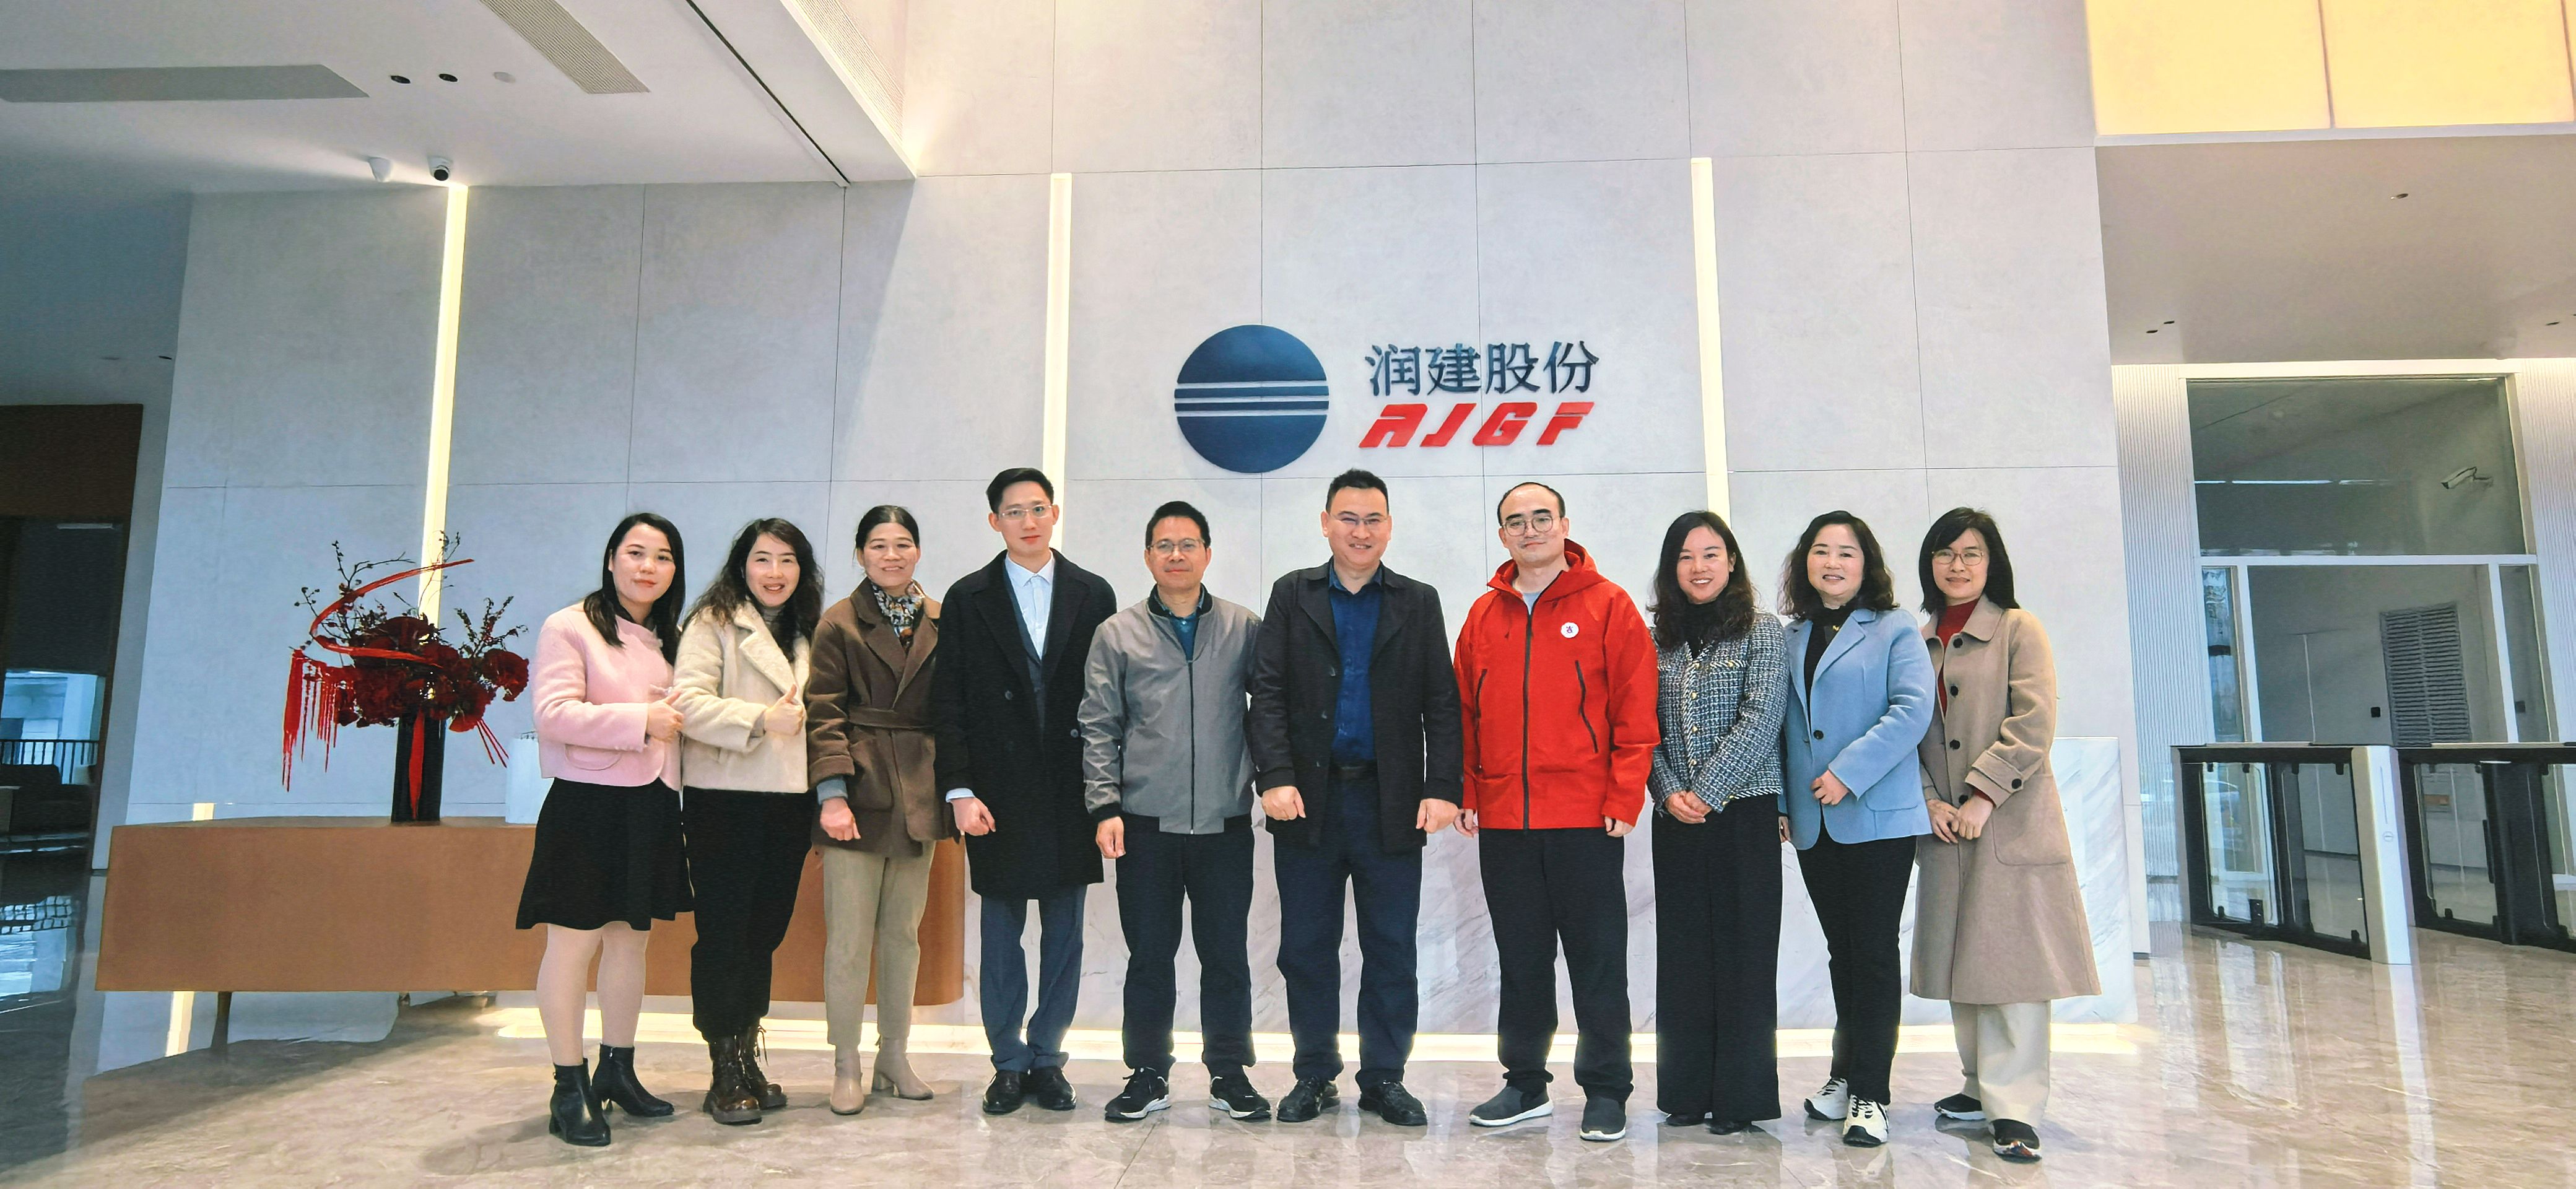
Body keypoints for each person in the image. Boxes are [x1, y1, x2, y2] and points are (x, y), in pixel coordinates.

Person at [1248, 469, 1461, 1128]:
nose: (1360, 531)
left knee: (1391, 946)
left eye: (1372, 520)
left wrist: (1442, 787)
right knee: (1306, 948)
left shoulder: (1417, 601)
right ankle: (1314, 1075)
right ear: (1325, 524)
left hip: (1389, 801)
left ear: (1389, 528)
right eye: (1348, 518)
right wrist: (1273, 775)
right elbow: (1267, 691)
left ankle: (1384, 1077)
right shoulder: (1293, 594)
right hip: (1305, 801)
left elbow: (1441, 702)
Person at [1452, 481, 1658, 1144]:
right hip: (1505, 820)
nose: (1530, 529)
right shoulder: (1484, 615)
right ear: (1503, 535)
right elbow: (1462, 713)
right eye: (1516, 521)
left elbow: (1635, 709)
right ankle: (1524, 1084)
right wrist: (1469, 792)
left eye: (1542, 517)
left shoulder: (1608, 605)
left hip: (1584, 819)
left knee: (1597, 960)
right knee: (1521, 959)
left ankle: (1605, 1089)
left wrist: (1623, 796)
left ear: (1564, 525)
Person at [1909, 508, 2095, 1163]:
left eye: (1971, 553)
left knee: (2012, 967)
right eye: (1945, 554)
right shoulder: (1919, 639)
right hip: (1945, 828)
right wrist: (1929, 802)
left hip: (2008, 821)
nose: (1957, 565)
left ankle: (2014, 1107)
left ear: (1993, 564)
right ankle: (1978, 1086)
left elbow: (2032, 723)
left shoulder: (2020, 628)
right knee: (1963, 962)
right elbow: (1908, 731)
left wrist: (1983, 796)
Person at [929, 468, 1118, 1116]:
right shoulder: (967, 597)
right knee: (1001, 935)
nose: (1028, 522)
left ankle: (1048, 1057)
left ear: (1055, 513)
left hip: (1070, 790)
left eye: (1038, 509)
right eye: (1014, 512)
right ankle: (1007, 1062)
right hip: (997, 793)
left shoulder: (1093, 593)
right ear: (994, 522)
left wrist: (1106, 795)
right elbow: (949, 700)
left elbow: (1108, 701)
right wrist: (959, 789)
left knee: (1065, 935)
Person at [1079, 501, 1268, 1123]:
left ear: (1208, 554)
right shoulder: (1117, 633)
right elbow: (1099, 725)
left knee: (1226, 955)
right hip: (1144, 824)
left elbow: (1269, 713)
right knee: (1149, 956)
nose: (1177, 555)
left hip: (1224, 823)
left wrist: (1273, 782)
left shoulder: (1243, 627)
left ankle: (1229, 1073)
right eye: (1164, 545)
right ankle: (1147, 1072)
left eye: (1188, 544)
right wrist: (1104, 805)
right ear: (1147, 557)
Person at [515, 512, 692, 1148]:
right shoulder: (569, 626)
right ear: (612, 558)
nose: (648, 567)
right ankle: (569, 1084)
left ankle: (618, 1068)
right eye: (636, 552)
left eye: (663, 556)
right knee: (572, 944)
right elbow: (553, 713)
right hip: (587, 805)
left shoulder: (673, 639)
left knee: (630, 944)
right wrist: (641, 719)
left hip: (651, 804)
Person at [1778, 510, 1935, 1148]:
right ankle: (1844, 1076)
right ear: (1805, 563)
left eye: (1846, 552)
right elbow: (1785, 727)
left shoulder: (1895, 628)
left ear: (1865, 564)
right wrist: (1783, 802)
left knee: (1871, 954)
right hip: (1812, 821)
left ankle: (1872, 1093)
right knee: (1841, 953)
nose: (1832, 562)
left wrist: (1847, 772)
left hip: (1875, 817)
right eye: (1821, 551)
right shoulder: (1791, 635)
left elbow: (1912, 710)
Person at [670, 518, 821, 1125]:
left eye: (787, 560)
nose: (775, 572)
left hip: (788, 800)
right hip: (724, 798)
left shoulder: (808, 628)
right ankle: (723, 1068)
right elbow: (685, 703)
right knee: (724, 934)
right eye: (763, 559)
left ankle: (747, 1052)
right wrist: (760, 720)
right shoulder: (713, 622)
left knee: (765, 932)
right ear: (742, 566)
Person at [1645, 510, 1789, 1135]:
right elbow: (1640, 724)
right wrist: (1668, 790)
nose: (1698, 567)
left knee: (1743, 955)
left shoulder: (1762, 629)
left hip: (1743, 813)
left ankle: (1739, 1098)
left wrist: (1705, 792)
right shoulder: (1656, 637)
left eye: (1710, 554)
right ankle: (1685, 1092)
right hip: (1673, 815)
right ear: (1670, 569)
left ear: (1731, 562)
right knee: (1683, 955)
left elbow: (1762, 716)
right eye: (1685, 557)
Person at [806, 505, 953, 1115]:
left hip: (919, 792)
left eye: (902, 544)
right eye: (877, 545)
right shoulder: (839, 622)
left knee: (902, 937)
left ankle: (894, 1055)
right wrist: (832, 796)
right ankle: (846, 1062)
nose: (891, 556)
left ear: (918, 551)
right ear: (860, 554)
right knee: (848, 939)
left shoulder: (943, 619)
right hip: (858, 795)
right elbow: (823, 714)